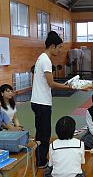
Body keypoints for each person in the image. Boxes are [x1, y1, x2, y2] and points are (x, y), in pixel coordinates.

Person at [31, 31, 72, 168]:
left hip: (39, 101)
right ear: (52, 46)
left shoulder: (41, 58)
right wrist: (69, 87)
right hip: (42, 103)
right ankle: (41, 162)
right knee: (44, 134)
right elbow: (51, 83)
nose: (61, 50)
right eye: (59, 47)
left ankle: (40, 159)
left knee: (42, 133)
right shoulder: (45, 60)